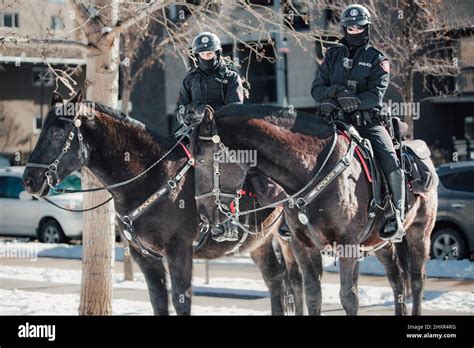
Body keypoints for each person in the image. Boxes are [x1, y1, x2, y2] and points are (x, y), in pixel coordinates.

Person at [310, 4, 405, 242]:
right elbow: (316, 89)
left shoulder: (377, 58)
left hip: (367, 124)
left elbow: (376, 95)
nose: (354, 31)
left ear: (367, 28)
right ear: (344, 28)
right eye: (350, 27)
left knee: (390, 159)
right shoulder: (332, 55)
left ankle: (397, 215)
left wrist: (355, 101)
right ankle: (297, 215)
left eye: (359, 27)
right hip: (334, 123)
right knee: (301, 156)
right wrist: (334, 94)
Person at [174, 32, 244, 242]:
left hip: (222, 131)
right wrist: (186, 114)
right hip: (194, 131)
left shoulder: (230, 76)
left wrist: (208, 111)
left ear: (217, 53)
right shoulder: (190, 79)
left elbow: (235, 108)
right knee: (173, 158)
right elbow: (179, 108)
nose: (207, 56)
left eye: (210, 52)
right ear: (197, 55)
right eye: (203, 53)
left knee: (230, 167)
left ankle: (229, 217)